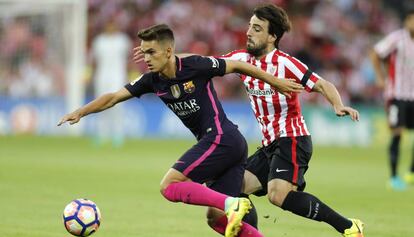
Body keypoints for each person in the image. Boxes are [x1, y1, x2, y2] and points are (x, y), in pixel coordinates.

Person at [133, 4, 363, 237]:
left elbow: (323, 84)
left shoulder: (285, 64)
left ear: (272, 36)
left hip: (292, 138)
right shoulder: (241, 58)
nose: (249, 32)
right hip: (268, 145)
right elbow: (198, 62)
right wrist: (168, 58)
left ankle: (348, 226)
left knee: (277, 194)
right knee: (236, 189)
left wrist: (337, 104)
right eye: (249, 27)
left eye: (257, 28)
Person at [58, 24, 303, 237]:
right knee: (216, 219)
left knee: (170, 185)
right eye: (144, 53)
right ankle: (233, 209)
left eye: (152, 52)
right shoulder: (151, 80)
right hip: (228, 144)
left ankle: (231, 203)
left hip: (221, 138)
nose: (147, 58)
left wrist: (275, 81)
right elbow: (113, 97)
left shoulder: (195, 65)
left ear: (168, 51)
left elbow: (238, 65)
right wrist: (81, 111)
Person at [370, 8, 414, 191]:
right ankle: (394, 177)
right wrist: (380, 77)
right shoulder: (397, 39)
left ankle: (411, 172)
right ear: (406, 21)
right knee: (397, 132)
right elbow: (375, 53)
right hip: (396, 94)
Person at [90, 19, 131, 147]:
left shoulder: (123, 40)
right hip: (102, 77)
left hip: (117, 76)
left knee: (117, 106)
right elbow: (95, 61)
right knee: (100, 104)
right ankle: (102, 135)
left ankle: (117, 136)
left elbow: (128, 59)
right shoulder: (99, 41)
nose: (111, 27)